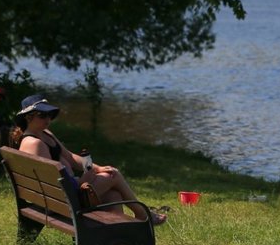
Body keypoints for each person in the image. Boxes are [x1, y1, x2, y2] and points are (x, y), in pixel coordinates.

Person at [11, 94, 166, 225]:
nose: (48, 119)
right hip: (63, 201)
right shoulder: (34, 144)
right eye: (42, 115)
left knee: (114, 195)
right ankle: (144, 215)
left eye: (49, 115)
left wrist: (97, 168)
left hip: (64, 195)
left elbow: (71, 158)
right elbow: (53, 184)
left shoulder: (45, 134)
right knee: (113, 175)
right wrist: (83, 179)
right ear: (29, 117)